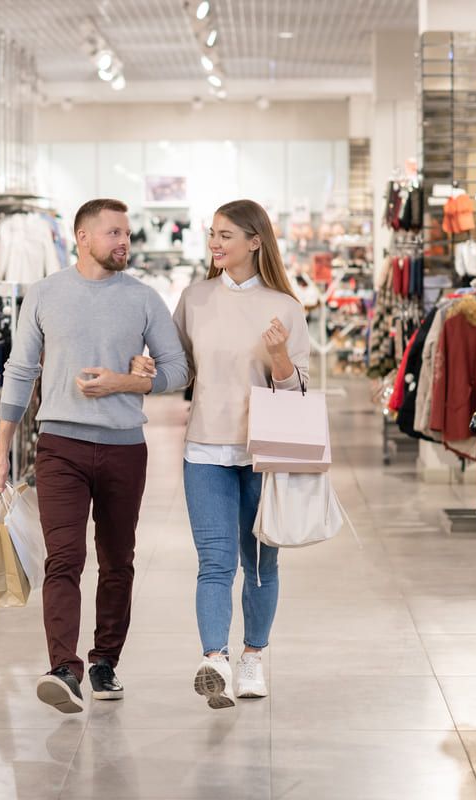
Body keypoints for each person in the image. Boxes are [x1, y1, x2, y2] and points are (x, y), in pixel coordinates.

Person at [0, 197, 190, 714]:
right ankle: (63, 669)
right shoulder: (45, 294)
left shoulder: (143, 299)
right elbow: (20, 371)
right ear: (82, 237)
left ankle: (104, 662)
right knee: (65, 559)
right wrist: (2, 446)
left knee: (117, 561)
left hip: (125, 448)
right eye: (114, 233)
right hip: (60, 448)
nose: (124, 241)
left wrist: (125, 381)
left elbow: (179, 371)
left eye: (126, 234)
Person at [134, 198, 310, 710]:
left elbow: (299, 387)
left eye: (225, 234)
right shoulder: (194, 297)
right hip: (205, 449)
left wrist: (278, 356)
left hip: (265, 451)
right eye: (212, 233)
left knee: (259, 564)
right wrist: (143, 372)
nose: (214, 242)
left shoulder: (286, 305)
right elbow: (178, 370)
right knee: (214, 562)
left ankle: (253, 656)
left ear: (255, 241)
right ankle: (216, 660)